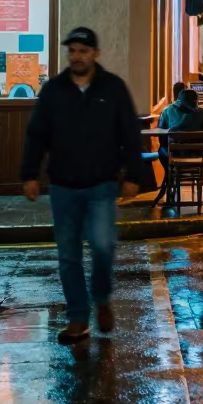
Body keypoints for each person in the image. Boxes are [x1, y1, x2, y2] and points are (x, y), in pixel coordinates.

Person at [20, 27, 144, 344]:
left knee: (103, 247)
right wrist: (29, 174)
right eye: (72, 50)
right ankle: (78, 317)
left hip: (101, 184)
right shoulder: (54, 90)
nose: (77, 56)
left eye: (83, 51)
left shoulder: (112, 88)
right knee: (69, 255)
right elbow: (37, 134)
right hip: (62, 186)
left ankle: (101, 297)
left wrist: (134, 176)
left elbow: (130, 132)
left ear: (95, 54)